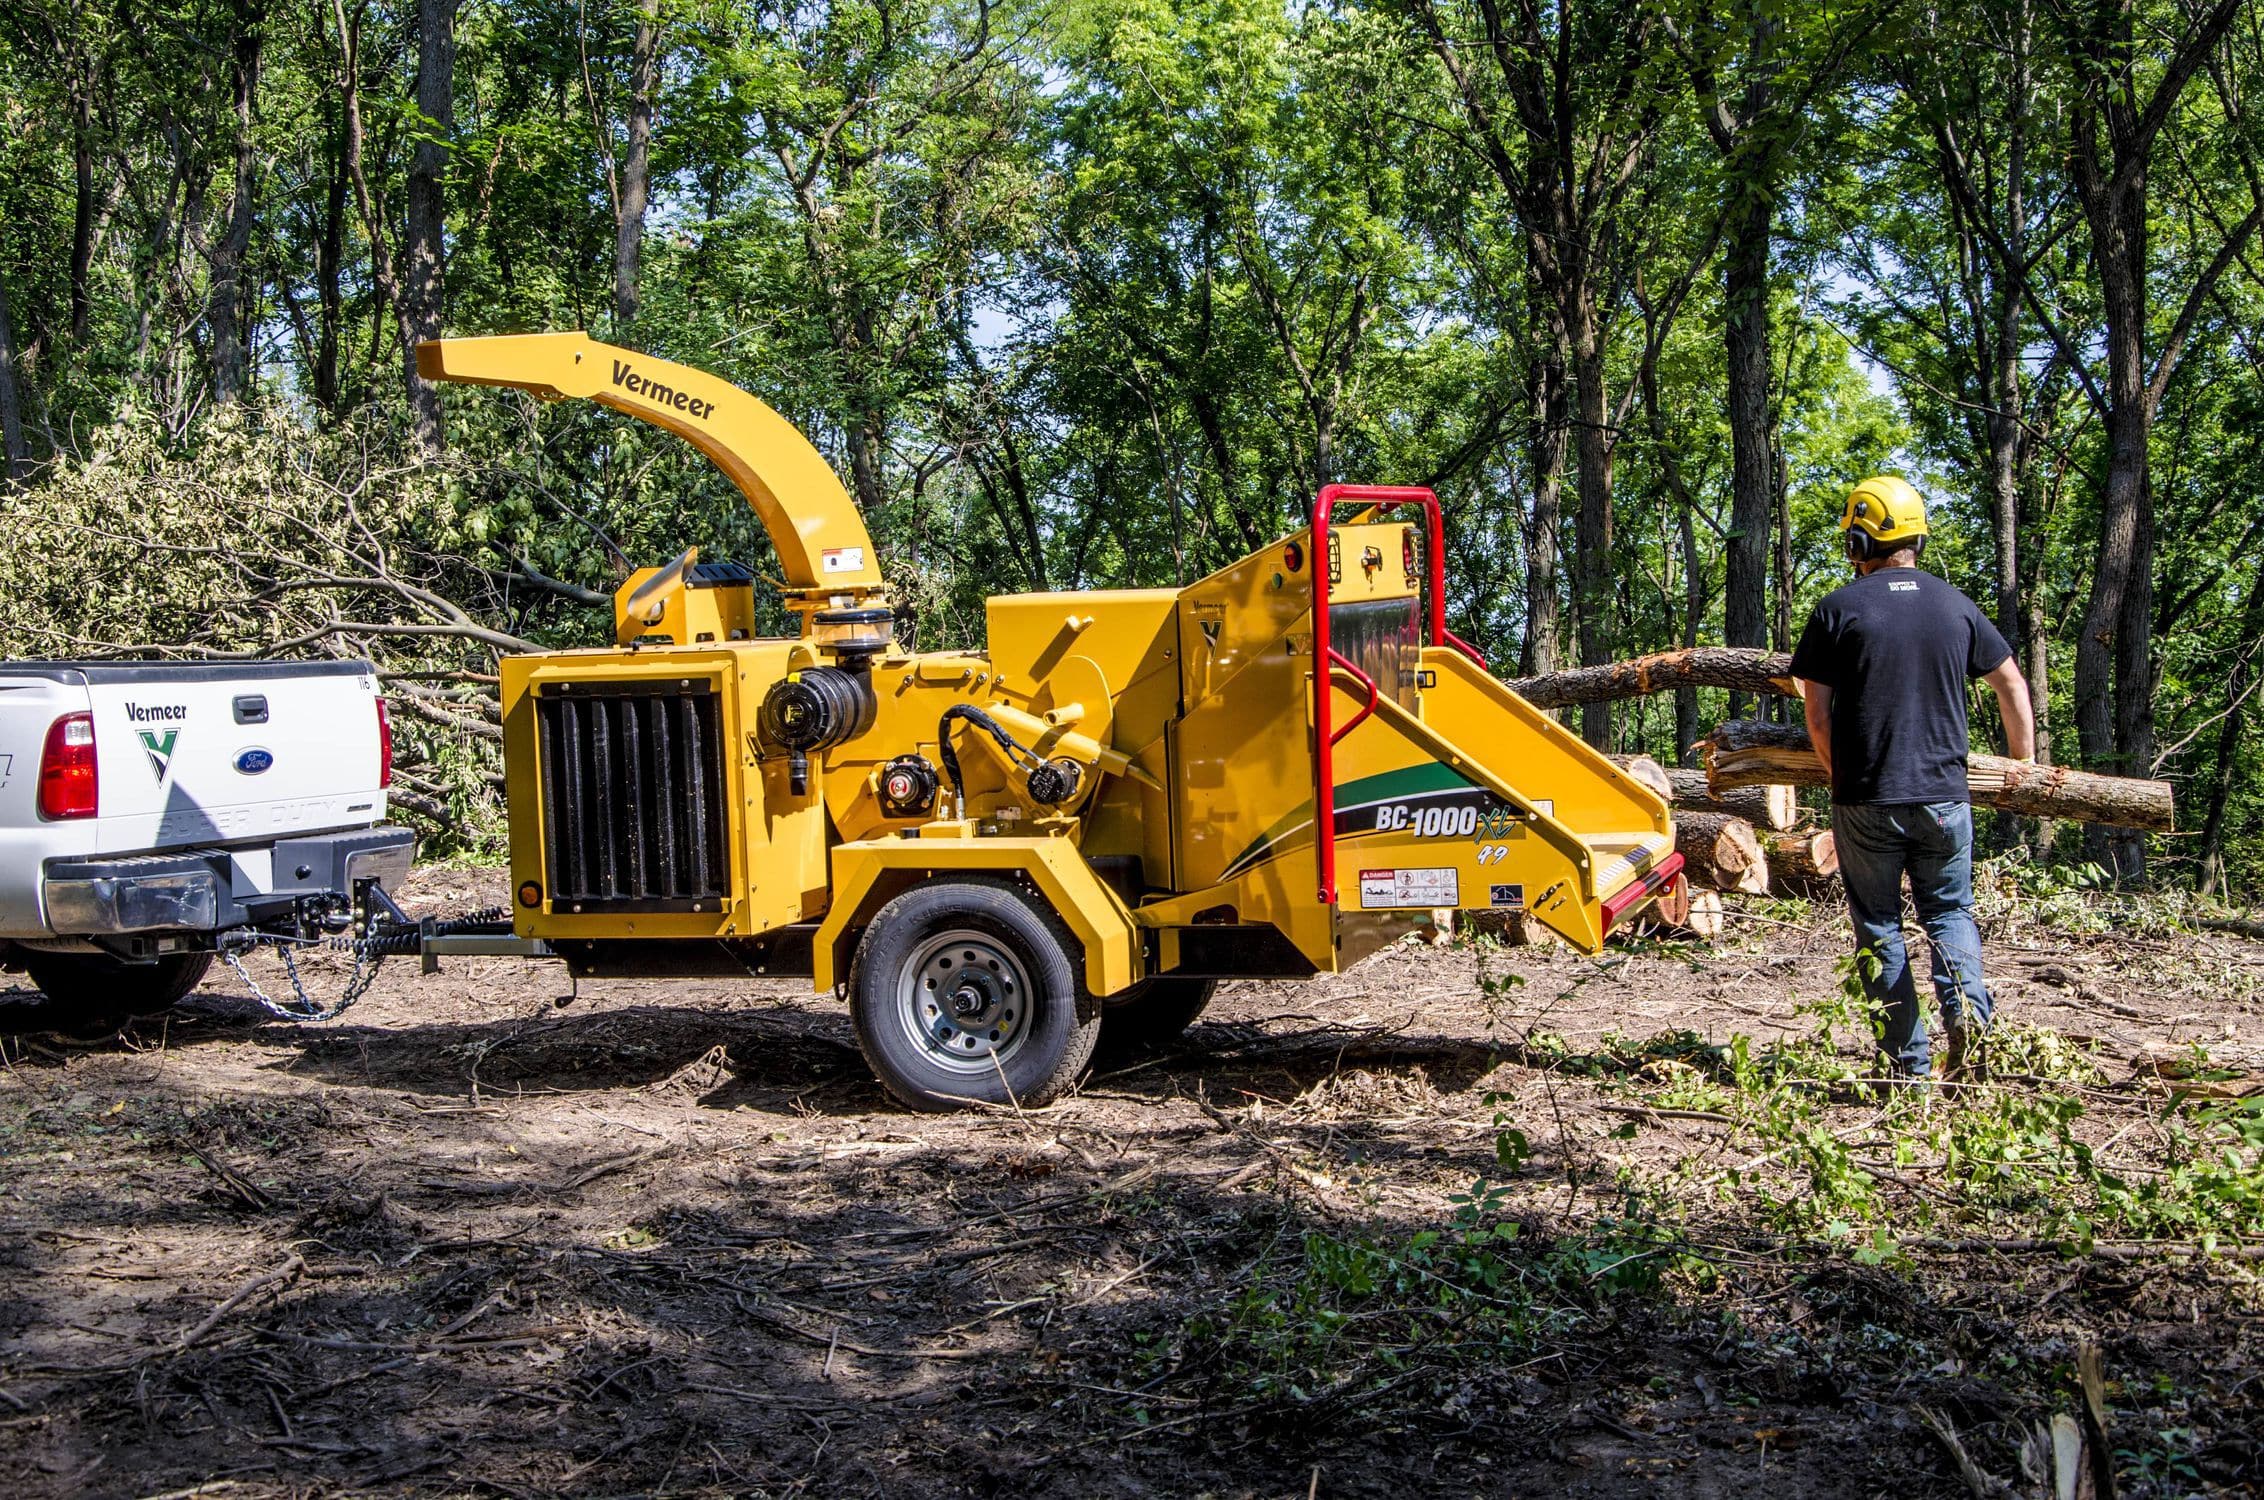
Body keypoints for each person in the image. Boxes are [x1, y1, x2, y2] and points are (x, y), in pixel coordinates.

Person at [1788, 475, 2036, 1084]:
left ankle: (1905, 1066)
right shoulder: (1956, 605)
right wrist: (2021, 766)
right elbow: (2012, 687)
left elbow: (1816, 713)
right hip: (1945, 796)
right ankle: (1970, 1028)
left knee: (1878, 923)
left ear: (1859, 538)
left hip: (1867, 797)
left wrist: (1837, 770)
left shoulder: (1837, 610)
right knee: (1950, 912)